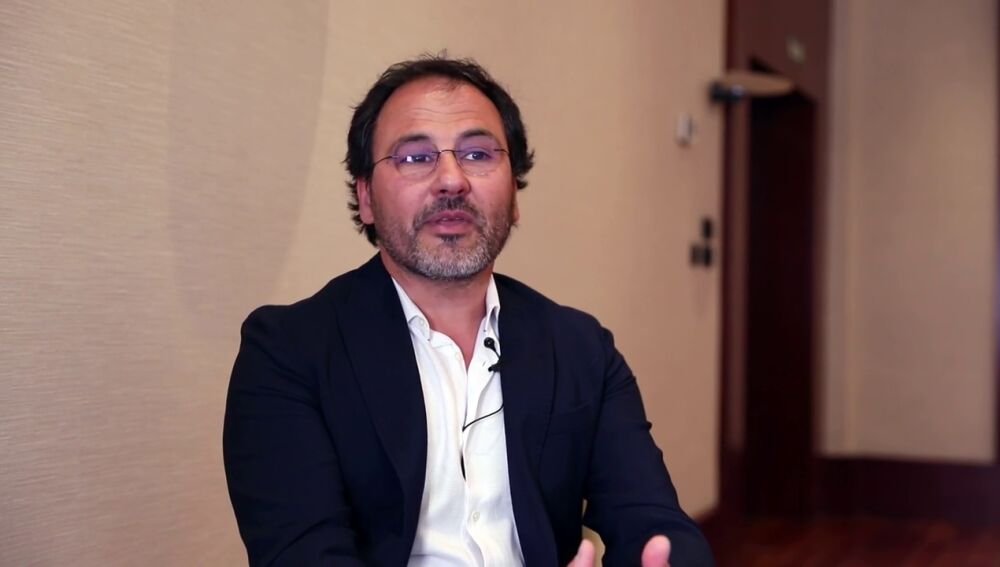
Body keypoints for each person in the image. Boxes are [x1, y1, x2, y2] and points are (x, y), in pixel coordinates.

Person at [223, 55, 713, 567]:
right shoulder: (288, 353)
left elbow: (657, 522)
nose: (452, 180)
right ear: (365, 197)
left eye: (477, 154)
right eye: (415, 157)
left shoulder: (580, 348)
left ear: (515, 193)